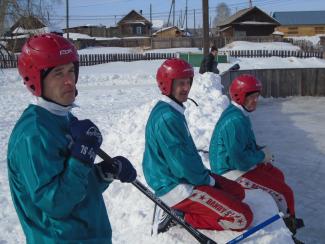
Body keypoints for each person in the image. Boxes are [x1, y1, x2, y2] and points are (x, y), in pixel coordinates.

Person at [7, 33, 137, 244]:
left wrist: (104, 172)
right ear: (36, 79)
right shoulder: (33, 133)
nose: (69, 80)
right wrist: (82, 158)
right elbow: (57, 203)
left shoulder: (64, 118)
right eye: (58, 73)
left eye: (71, 70)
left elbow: (75, 185)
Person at [142, 58, 253, 234]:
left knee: (237, 191)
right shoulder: (168, 118)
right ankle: (180, 215)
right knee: (242, 217)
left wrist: (208, 179)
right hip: (175, 185)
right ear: (167, 85)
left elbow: (185, 159)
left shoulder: (171, 109)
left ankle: (196, 206)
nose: (186, 88)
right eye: (180, 83)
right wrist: (209, 182)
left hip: (186, 176)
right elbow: (182, 166)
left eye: (188, 82)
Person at [209, 74, 304, 236]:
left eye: (256, 96)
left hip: (235, 164)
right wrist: (261, 155)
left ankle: (281, 214)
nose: (255, 100)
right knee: (286, 193)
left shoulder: (238, 114)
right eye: (251, 97)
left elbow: (246, 146)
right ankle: (289, 226)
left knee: (277, 174)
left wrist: (260, 151)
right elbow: (241, 161)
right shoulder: (235, 121)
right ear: (240, 96)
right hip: (230, 171)